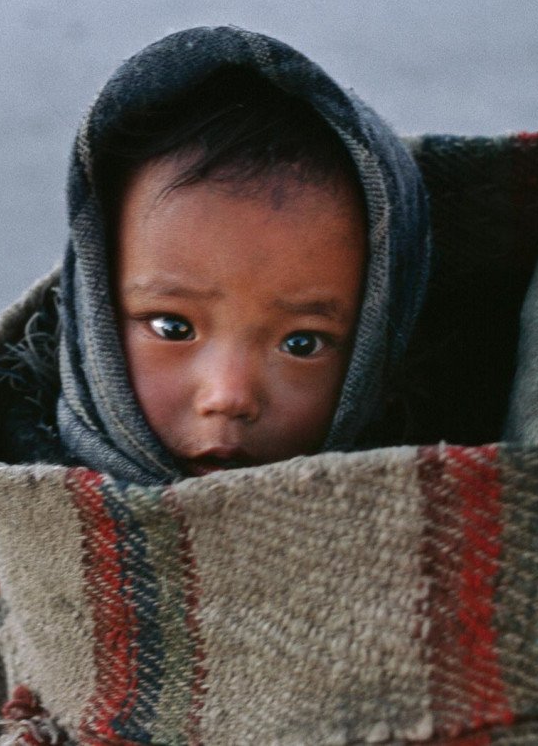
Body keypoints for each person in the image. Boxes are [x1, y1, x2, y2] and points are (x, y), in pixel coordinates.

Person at [55, 25, 431, 483]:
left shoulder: (437, 499)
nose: (228, 396)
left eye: (302, 343)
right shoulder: (17, 493)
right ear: (93, 310)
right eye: (172, 327)